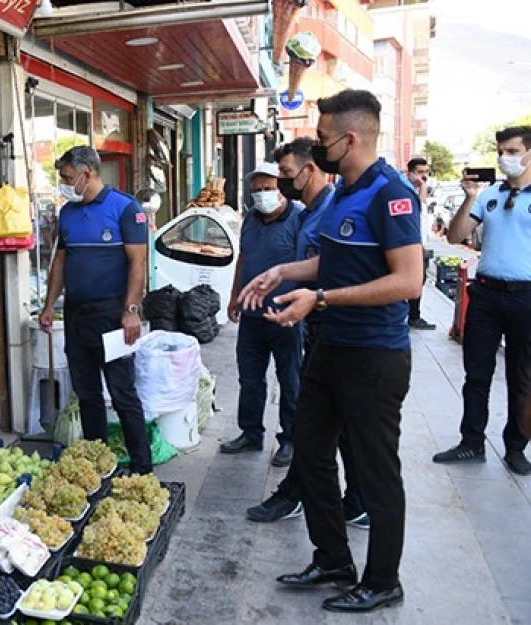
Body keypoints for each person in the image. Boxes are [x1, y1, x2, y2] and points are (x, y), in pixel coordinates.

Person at [239, 89, 422, 612]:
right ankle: (333, 559)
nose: (316, 149)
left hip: (374, 356)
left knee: (375, 470)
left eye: (322, 139)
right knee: (311, 452)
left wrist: (319, 299)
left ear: (350, 138)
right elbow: (333, 263)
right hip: (332, 348)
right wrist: (282, 271)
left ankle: (383, 580)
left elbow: (408, 281)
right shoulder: (342, 191)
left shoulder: (392, 194)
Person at [246, 138, 368, 528]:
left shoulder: (333, 208)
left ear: (309, 170)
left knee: (324, 422)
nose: (281, 184)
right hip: (319, 329)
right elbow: (315, 264)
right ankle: (318, 495)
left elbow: (342, 268)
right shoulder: (313, 212)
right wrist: (279, 274)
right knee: (319, 423)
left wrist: (311, 299)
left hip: (342, 333)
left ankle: (331, 497)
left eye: (284, 175)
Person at [38, 146, 151, 474]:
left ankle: (142, 469)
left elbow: (138, 262)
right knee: (86, 394)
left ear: (87, 173)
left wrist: (131, 310)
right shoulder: (68, 213)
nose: (64, 184)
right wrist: (49, 306)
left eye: (67, 178)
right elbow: (60, 261)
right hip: (75, 315)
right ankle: (98, 466)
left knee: (121, 393)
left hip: (112, 315)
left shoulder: (126, 208)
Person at [433, 125, 531, 475]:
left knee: (523, 377)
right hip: (487, 293)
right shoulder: (489, 194)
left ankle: (516, 446)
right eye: (501, 151)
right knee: (477, 372)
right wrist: (470, 197)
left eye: (513, 151)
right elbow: (457, 235)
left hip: (526, 297)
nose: (505, 158)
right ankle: (471, 442)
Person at [221, 162, 303, 467]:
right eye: (256, 190)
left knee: (290, 378)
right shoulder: (251, 220)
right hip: (253, 315)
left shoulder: (300, 217)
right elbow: (243, 258)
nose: (262, 195)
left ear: (281, 188)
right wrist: (234, 296)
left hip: (286, 315)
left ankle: (291, 439)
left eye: (268, 189)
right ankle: (251, 432)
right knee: (250, 377)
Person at [405, 157, 436, 330]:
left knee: (420, 280)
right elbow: (420, 206)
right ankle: (413, 316)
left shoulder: (416, 189)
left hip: (420, 245)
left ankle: (414, 314)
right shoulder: (406, 190)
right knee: (415, 280)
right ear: (410, 173)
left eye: (426, 172)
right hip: (411, 245)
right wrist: (422, 187)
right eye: (419, 172)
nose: (423, 176)